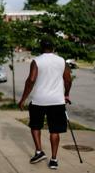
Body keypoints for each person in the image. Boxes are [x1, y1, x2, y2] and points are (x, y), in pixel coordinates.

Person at [18, 37, 72, 170]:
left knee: (35, 126)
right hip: (57, 101)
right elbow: (68, 80)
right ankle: (54, 160)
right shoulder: (61, 61)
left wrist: (23, 99)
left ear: (41, 48)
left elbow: (31, 80)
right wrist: (66, 94)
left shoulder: (36, 61)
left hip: (39, 100)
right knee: (55, 130)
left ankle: (39, 151)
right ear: (53, 48)